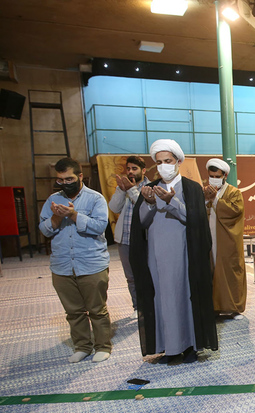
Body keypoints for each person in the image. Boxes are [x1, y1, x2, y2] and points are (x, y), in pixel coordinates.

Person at [130, 139, 218, 363]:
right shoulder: (148, 189)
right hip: (156, 256)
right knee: (163, 299)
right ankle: (168, 347)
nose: (163, 166)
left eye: (167, 161)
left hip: (185, 254)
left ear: (178, 161)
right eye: (158, 162)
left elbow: (196, 220)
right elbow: (141, 222)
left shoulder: (191, 188)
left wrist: (172, 202)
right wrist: (149, 204)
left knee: (184, 298)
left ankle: (189, 345)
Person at [39, 157, 112, 363]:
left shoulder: (95, 198)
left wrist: (73, 215)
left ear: (80, 176)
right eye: (60, 180)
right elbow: (44, 230)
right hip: (62, 266)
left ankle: (103, 346)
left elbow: (99, 227)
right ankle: (82, 346)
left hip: (91, 264)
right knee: (73, 311)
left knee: (97, 309)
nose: (64, 184)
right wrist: (55, 218)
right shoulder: (53, 200)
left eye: (69, 179)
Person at [203, 158, 246, 319]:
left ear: (225, 175)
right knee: (211, 272)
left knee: (230, 273)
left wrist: (215, 200)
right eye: (211, 176)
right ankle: (214, 308)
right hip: (209, 240)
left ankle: (233, 308)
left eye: (217, 176)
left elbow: (235, 212)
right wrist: (206, 199)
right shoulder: (205, 191)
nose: (213, 179)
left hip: (227, 243)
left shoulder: (234, 192)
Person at [108, 155, 148, 318]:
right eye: (128, 169)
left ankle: (149, 306)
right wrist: (120, 189)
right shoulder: (124, 188)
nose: (130, 172)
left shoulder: (150, 187)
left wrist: (131, 189)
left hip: (145, 240)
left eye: (135, 169)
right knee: (131, 277)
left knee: (147, 274)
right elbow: (114, 207)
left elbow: (143, 207)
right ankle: (137, 307)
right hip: (125, 240)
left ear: (143, 171)